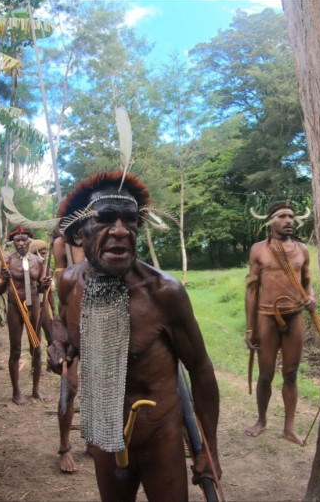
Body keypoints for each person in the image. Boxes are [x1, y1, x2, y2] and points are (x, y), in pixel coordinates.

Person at [48, 171, 221, 500]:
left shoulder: (163, 293)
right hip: (103, 429)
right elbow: (60, 321)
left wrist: (208, 450)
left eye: (129, 220)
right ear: (79, 234)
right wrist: (59, 343)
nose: (119, 230)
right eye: (104, 219)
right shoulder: (70, 282)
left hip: (160, 433)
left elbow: (200, 369)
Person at [244, 201, 317, 444]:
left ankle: (289, 428)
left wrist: (312, 298)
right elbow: (252, 291)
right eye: (283, 216)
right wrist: (250, 327)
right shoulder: (258, 250)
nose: (289, 221)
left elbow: (307, 282)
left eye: (291, 217)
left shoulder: (302, 250)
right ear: (271, 221)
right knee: (265, 374)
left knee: (291, 374)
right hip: (266, 318)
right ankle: (261, 420)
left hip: (295, 316)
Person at [0, 226, 52, 405]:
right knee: (16, 349)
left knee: (37, 347)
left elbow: (41, 288)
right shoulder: (7, 261)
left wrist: (46, 284)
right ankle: (16, 391)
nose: (20, 243)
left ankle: (35, 389)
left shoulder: (38, 262)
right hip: (15, 307)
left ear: (29, 241)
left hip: (34, 306)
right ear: (13, 243)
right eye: (17, 240)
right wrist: (4, 277)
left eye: (23, 239)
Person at [49, 226, 86, 473]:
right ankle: (64, 446)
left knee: (99, 387)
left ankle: (95, 440)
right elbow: (62, 303)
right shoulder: (61, 245)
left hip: (101, 328)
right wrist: (60, 338)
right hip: (71, 325)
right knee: (69, 387)